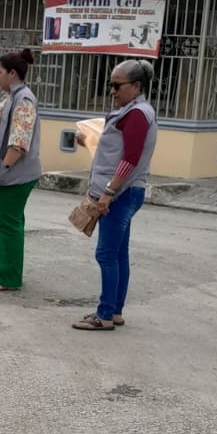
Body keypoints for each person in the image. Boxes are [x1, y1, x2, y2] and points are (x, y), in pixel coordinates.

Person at [72, 57, 159, 332]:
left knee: (106, 254)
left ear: (136, 86)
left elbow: (130, 158)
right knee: (119, 253)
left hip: (121, 193)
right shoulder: (133, 111)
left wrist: (108, 192)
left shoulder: (137, 114)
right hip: (127, 191)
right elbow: (114, 151)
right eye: (110, 85)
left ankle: (105, 314)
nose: (112, 91)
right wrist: (88, 141)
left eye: (117, 86)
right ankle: (114, 311)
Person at [0, 48, 42, 293]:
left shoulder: (23, 100)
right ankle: (4, 269)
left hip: (15, 174)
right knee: (8, 224)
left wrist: (4, 167)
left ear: (12, 73)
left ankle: (9, 277)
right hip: (12, 173)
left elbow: (19, 142)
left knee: (8, 225)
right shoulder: (15, 97)